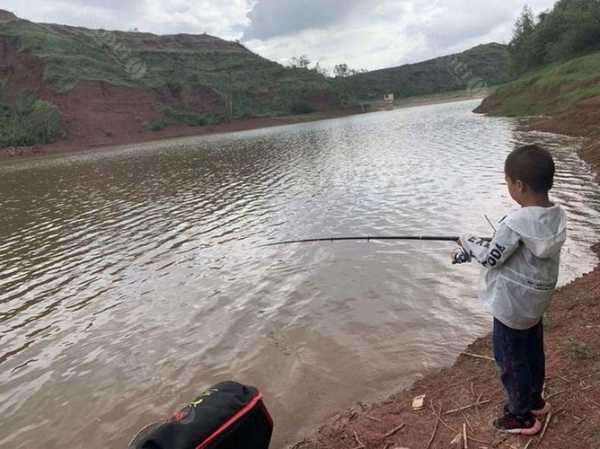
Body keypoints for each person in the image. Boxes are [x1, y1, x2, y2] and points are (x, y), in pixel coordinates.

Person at [452, 144, 567, 435]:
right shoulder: (555, 216)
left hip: (511, 309)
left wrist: (467, 243)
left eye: (507, 182)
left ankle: (520, 415)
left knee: (511, 362)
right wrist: (478, 247)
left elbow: (492, 257)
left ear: (518, 185)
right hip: (534, 306)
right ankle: (534, 399)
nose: (508, 188)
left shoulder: (515, 222)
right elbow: (517, 251)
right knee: (532, 354)